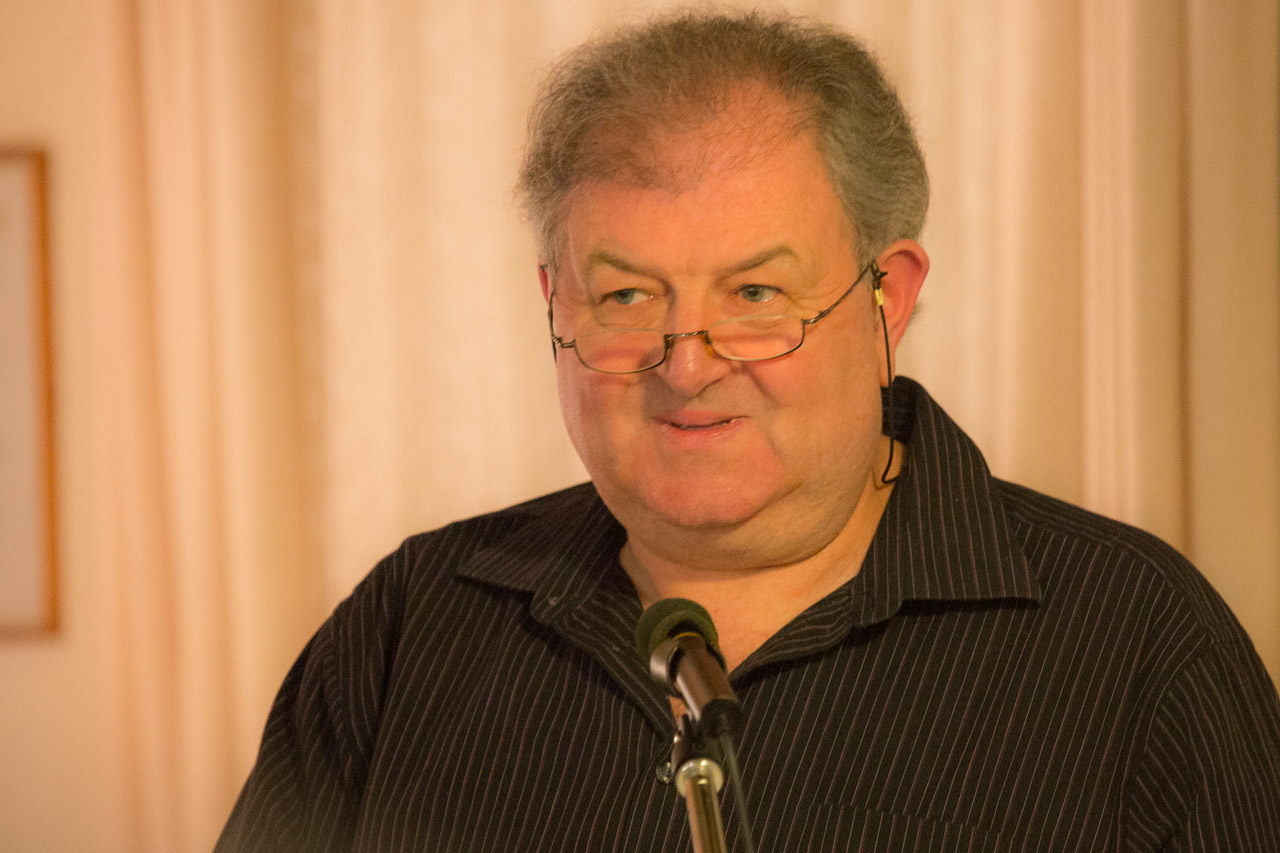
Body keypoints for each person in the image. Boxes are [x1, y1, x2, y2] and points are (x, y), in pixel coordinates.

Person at [217, 10, 1280, 851]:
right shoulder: (409, 626)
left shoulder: (1142, 648)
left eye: (756, 294)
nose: (686, 364)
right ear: (553, 306)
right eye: (626, 297)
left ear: (889, 298)